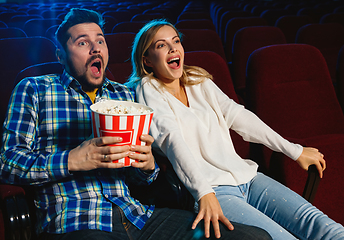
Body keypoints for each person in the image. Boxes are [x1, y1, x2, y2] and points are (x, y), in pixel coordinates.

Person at [0, 8, 272, 240]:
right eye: (82, 43)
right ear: (60, 55)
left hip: (138, 217)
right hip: (77, 219)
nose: (95, 48)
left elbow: (142, 180)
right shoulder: (34, 89)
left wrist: (147, 165)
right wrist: (73, 159)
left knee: (256, 237)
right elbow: (8, 164)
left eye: (100, 41)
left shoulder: (124, 95)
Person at [127, 19, 344, 240]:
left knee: (324, 226)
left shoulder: (197, 80)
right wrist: (204, 193)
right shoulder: (148, 89)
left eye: (176, 41)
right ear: (147, 60)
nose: (173, 48)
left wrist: (294, 151)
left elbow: (239, 116)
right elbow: (172, 140)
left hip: (247, 177)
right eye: (162, 45)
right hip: (215, 191)